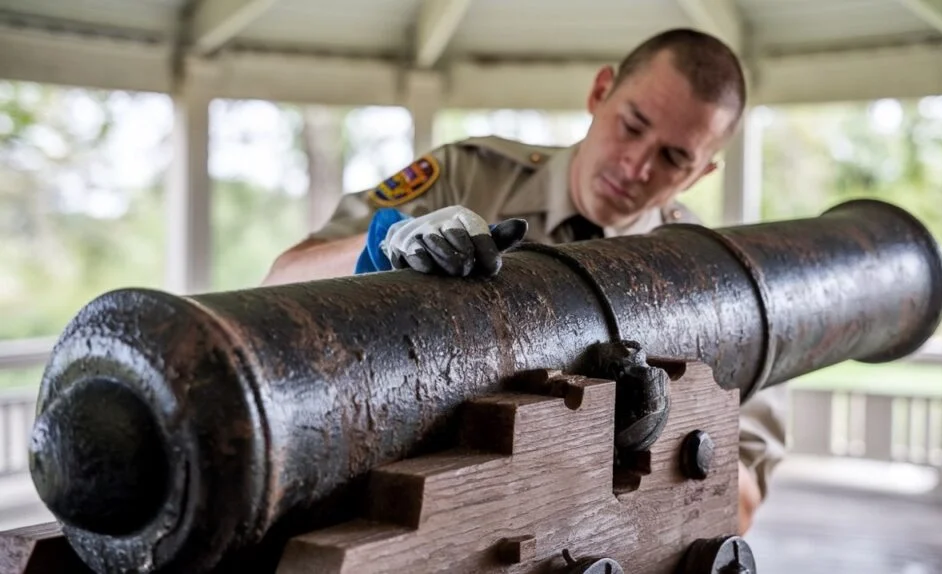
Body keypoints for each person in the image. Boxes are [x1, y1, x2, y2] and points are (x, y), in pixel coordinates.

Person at [263, 28, 787, 535]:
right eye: (632, 124)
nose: (636, 165)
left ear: (702, 173)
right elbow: (280, 283)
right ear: (600, 92)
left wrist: (656, 426)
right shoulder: (470, 176)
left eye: (674, 158)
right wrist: (383, 243)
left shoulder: (715, 285)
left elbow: (736, 507)